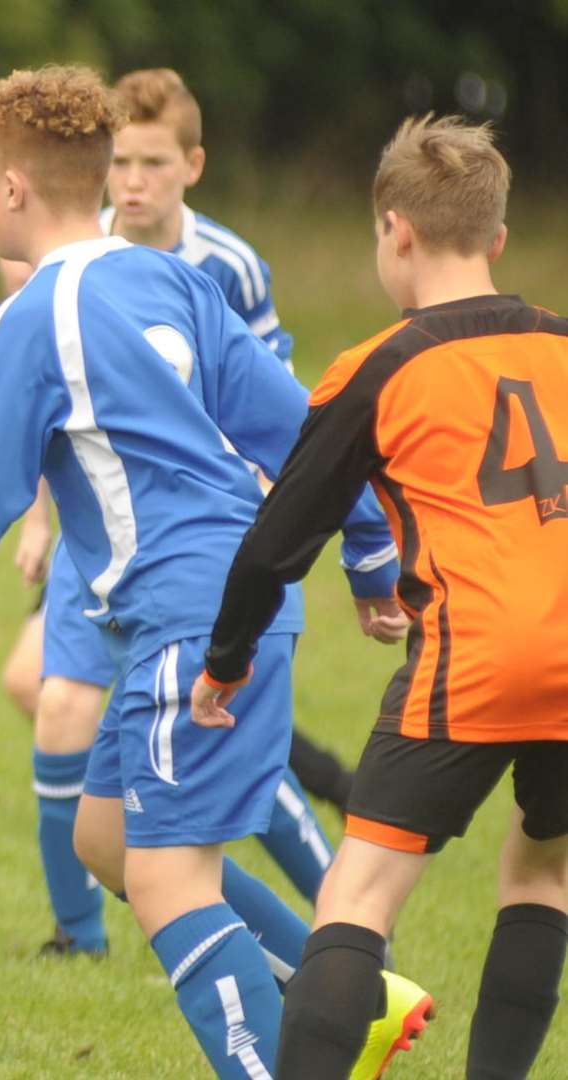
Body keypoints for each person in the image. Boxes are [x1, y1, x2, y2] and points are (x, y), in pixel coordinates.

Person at [0, 66, 402, 1077]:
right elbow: (301, 429)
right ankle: (345, 999)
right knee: (105, 840)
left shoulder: (29, 317)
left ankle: (293, 1052)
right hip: (235, 599)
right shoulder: (168, 279)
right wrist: (370, 551)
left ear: (13, 188)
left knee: (164, 885)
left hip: (179, 617)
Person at [193, 115, 568, 1079]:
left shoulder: (379, 366)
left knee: (356, 897)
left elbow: (277, 543)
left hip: (474, 661)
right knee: (543, 872)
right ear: (497, 238)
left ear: (394, 230)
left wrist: (224, 662)